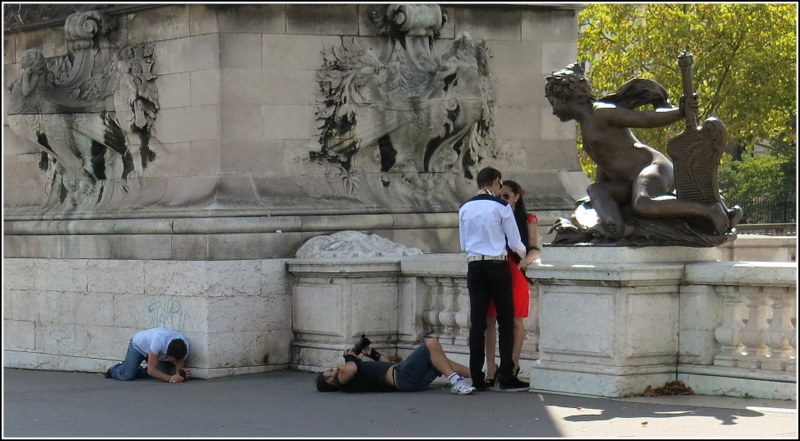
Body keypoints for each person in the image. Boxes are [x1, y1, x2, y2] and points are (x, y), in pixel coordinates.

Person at [544, 63, 738, 240]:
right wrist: (602, 200)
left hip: (652, 167)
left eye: (553, 103)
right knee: (595, 189)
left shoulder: (601, 113)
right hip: (629, 181)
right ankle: (617, 227)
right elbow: (605, 164)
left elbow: (645, 118)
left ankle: (709, 210)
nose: (553, 111)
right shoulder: (586, 127)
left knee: (643, 203)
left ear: (565, 96)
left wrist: (680, 112)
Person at [458, 166, 530, 392]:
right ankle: (507, 375)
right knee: (505, 321)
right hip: (497, 265)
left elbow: (462, 244)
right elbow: (515, 242)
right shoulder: (501, 206)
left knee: (478, 323)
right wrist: (524, 257)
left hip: (474, 265)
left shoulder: (465, 207)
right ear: (496, 181)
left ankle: (477, 377)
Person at [484, 180, 541, 387]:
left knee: (516, 318)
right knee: (490, 318)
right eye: (501, 196)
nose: (503, 200)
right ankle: (490, 368)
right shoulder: (495, 215)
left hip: (515, 267)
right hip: (495, 265)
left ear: (517, 196)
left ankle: (513, 363)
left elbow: (534, 248)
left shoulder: (527, 218)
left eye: (507, 196)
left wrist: (524, 262)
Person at [315, 337, 476, 395]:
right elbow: (351, 368)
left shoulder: (352, 378)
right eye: (330, 371)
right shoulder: (340, 381)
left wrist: (373, 355)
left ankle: (478, 376)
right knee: (431, 343)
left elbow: (389, 366)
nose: (334, 369)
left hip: (404, 379)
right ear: (329, 380)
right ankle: (457, 383)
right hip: (401, 377)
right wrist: (350, 356)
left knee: (437, 359)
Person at [104, 327, 191, 383]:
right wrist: (169, 378)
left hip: (153, 351)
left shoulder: (184, 346)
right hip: (138, 346)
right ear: (168, 353)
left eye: (177, 360)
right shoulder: (159, 341)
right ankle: (115, 370)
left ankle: (135, 370)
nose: (174, 362)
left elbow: (178, 372)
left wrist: (181, 376)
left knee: (164, 372)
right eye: (173, 360)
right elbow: (151, 370)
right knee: (126, 375)